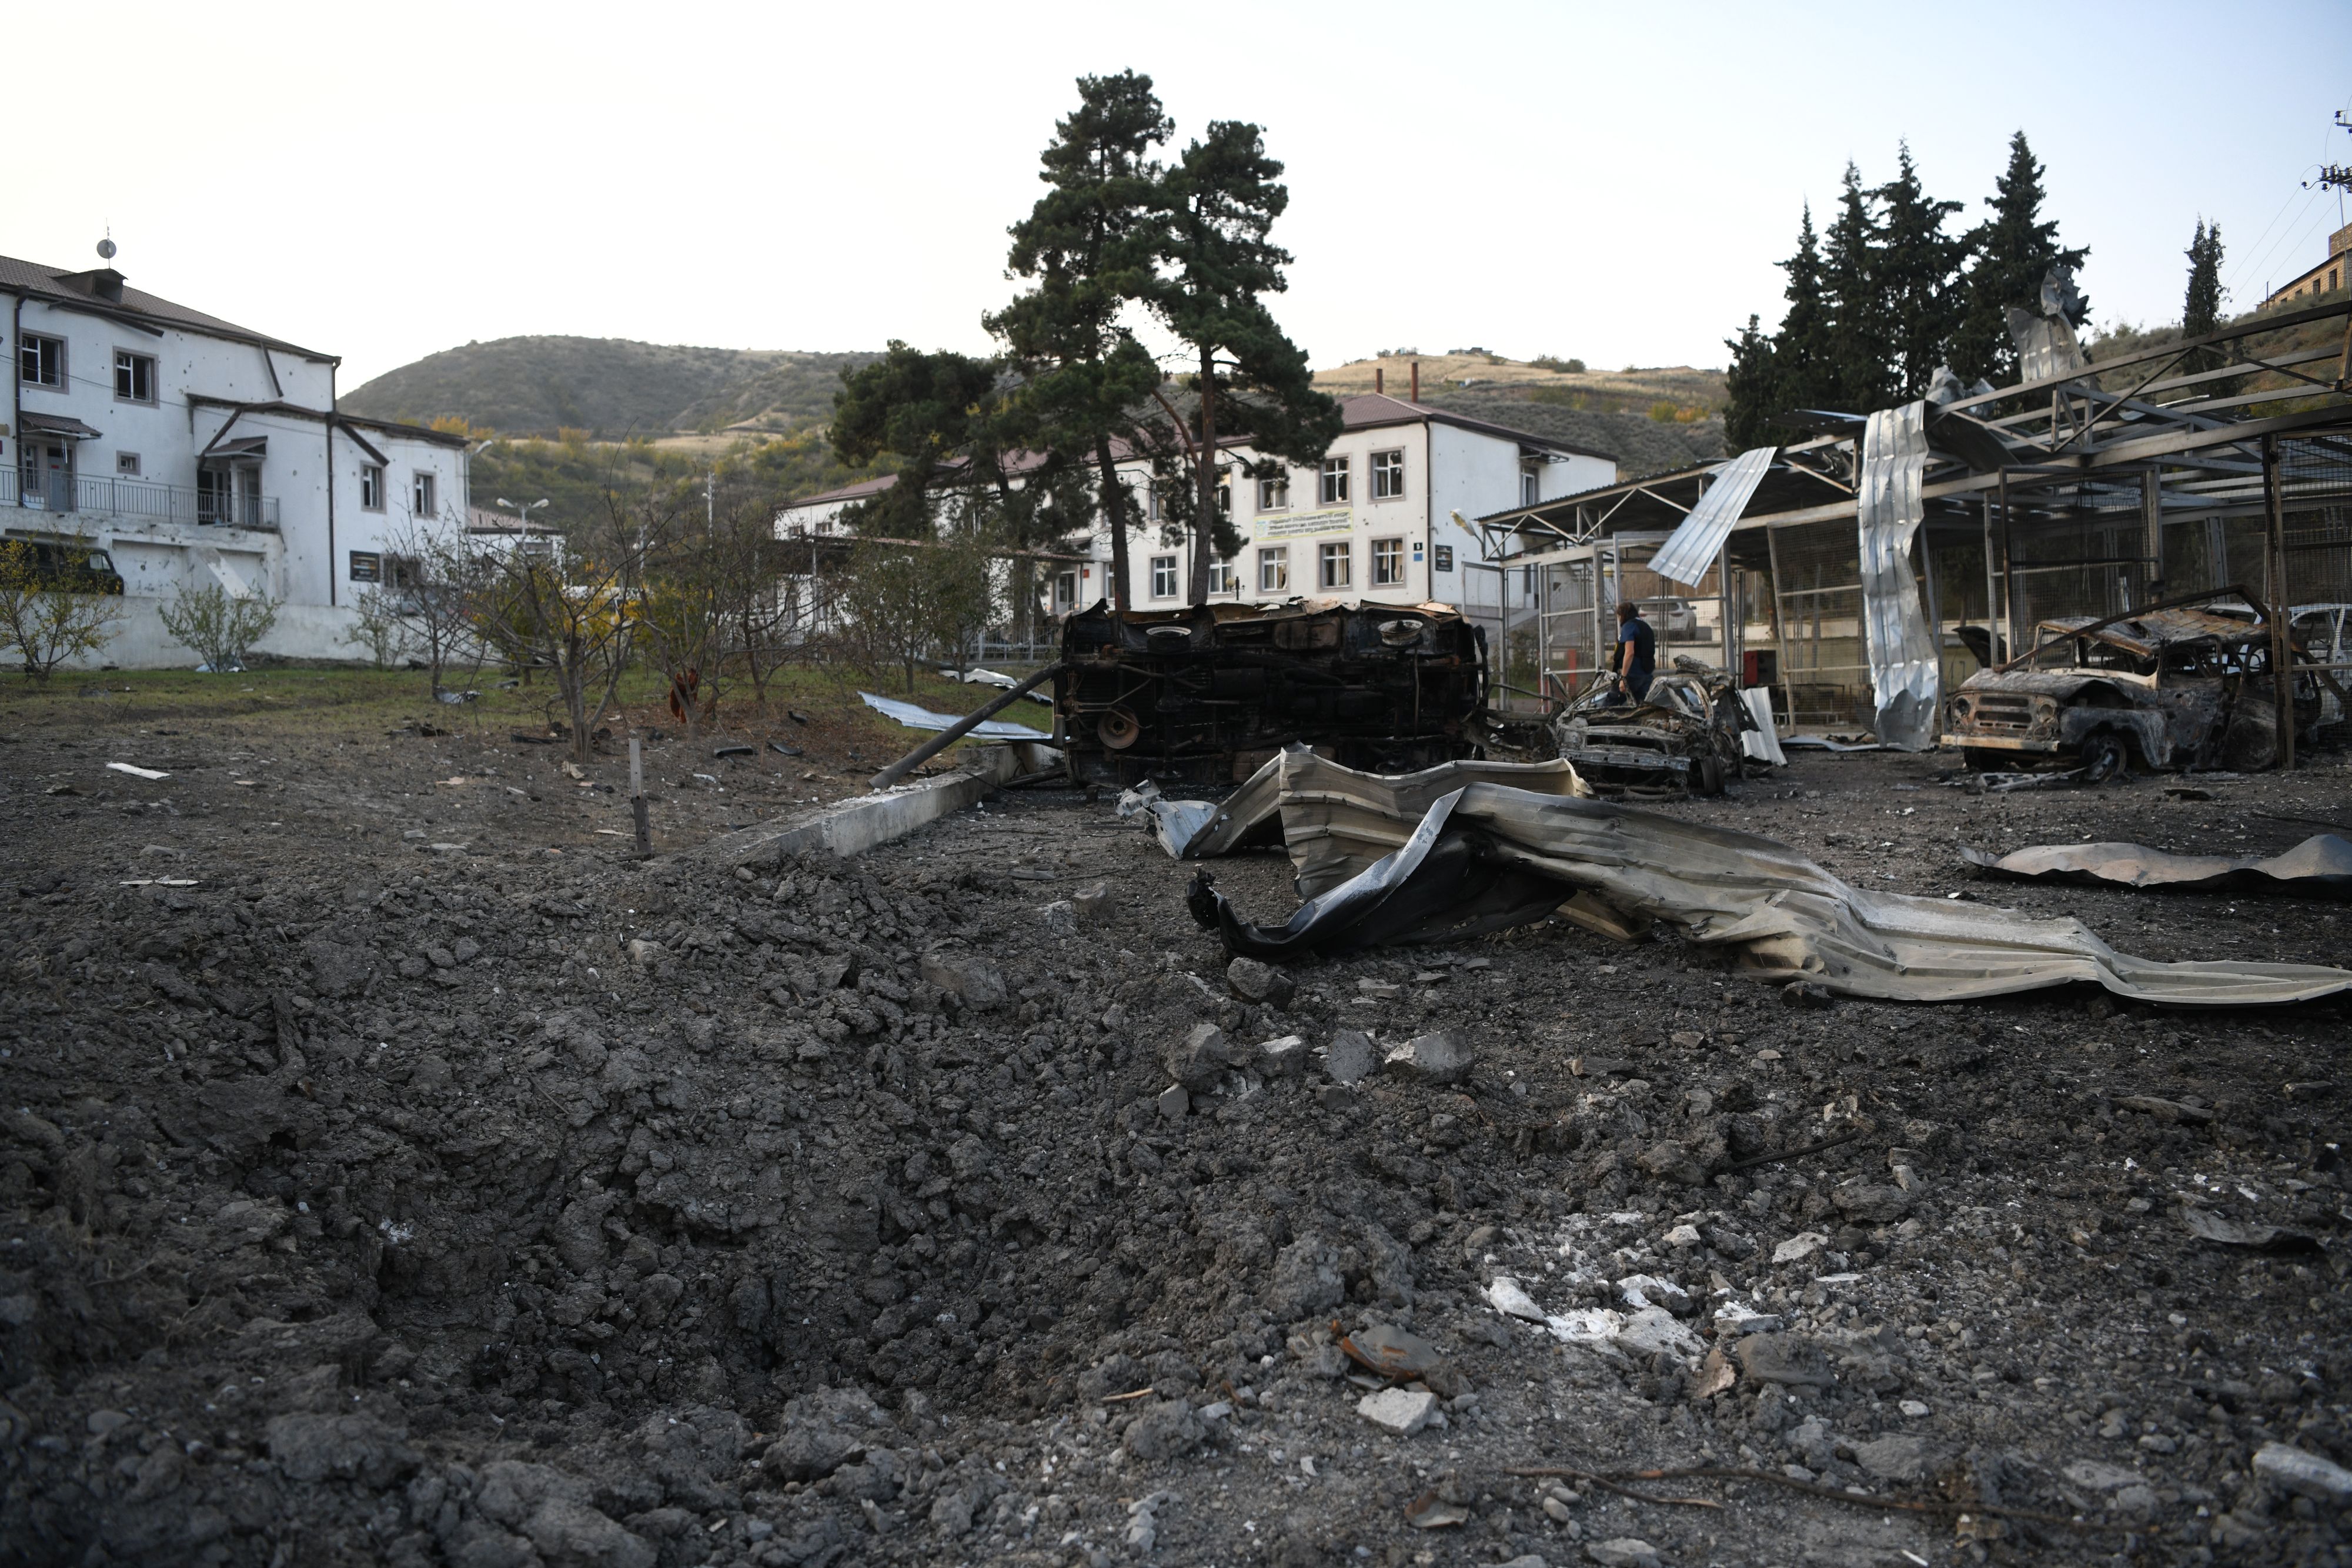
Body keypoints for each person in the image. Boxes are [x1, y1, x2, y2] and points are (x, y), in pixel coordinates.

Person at [1603, 599, 1654, 706]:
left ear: (1623, 615)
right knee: (1641, 708)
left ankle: (1598, 722)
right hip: (1647, 674)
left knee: (1610, 704)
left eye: (1619, 616)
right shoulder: (1646, 626)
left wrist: (1624, 678)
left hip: (1632, 674)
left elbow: (1630, 652)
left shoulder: (1629, 626)